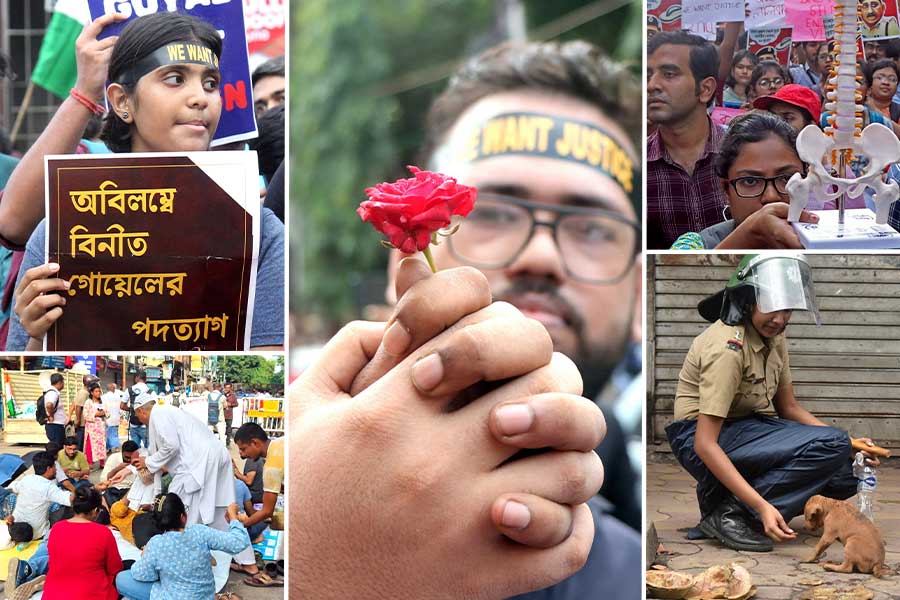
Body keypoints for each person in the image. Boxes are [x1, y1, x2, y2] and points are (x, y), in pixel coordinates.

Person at [293, 40, 641, 600]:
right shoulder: (300, 453)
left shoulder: (639, 574)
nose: (543, 257)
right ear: (403, 259)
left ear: (640, 296)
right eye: (495, 212)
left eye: (594, 228)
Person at [5, 12, 284, 351]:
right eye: (175, 79)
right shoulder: (58, 235)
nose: (200, 98)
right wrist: (38, 335)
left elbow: (270, 374)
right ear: (122, 101)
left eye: (211, 83)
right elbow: (27, 389)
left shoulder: (259, 231)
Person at [666, 254, 880, 552]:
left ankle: (723, 504)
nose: (779, 319)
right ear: (747, 300)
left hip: (744, 430)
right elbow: (705, 443)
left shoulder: (774, 337)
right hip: (698, 438)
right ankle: (733, 514)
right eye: (770, 306)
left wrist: (852, 444)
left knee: (849, 472)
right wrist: (760, 505)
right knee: (834, 445)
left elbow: (789, 408)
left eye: (787, 309)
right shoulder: (728, 349)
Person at [669, 112, 821, 249]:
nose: (771, 197)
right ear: (726, 190)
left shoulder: (828, 239)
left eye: (786, 178)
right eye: (750, 181)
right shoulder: (696, 246)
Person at [647, 31, 727, 249]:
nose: (652, 85)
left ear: (705, 89)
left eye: (669, 74)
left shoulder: (744, 153)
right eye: (647, 76)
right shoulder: (634, 165)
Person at [115, 494, 251, 599]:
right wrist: (233, 517)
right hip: (205, 597)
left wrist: (146, 557)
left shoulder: (156, 544)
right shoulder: (200, 531)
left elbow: (141, 574)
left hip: (174, 596)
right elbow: (238, 542)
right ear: (183, 516)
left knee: (121, 578)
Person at [131, 393, 235, 528]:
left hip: (200, 460)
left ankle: (187, 541)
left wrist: (148, 462)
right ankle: (221, 540)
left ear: (140, 410)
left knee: (180, 504)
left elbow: (171, 445)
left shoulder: (159, 414)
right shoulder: (168, 412)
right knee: (214, 503)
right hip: (213, 454)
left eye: (137, 415)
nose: (139, 419)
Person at [41, 487, 123, 599]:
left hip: (53, 594)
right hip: (92, 594)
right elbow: (115, 568)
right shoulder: (103, 532)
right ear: (95, 511)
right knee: (126, 569)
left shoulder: (56, 529)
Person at [231, 423, 282, 578]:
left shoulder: (272, 466)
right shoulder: (280, 444)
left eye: (243, 449)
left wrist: (240, 525)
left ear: (255, 443)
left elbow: (267, 511)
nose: (242, 455)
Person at [8, 451, 72, 541]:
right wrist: (92, 490)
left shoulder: (27, 479)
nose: (56, 470)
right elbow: (71, 500)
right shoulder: (48, 487)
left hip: (17, 529)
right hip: (36, 534)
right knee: (69, 510)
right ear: (48, 468)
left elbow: (13, 487)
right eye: (54, 466)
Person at [98, 440, 141, 507]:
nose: (129, 460)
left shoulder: (140, 460)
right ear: (122, 453)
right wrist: (117, 469)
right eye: (127, 457)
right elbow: (103, 480)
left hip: (129, 491)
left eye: (131, 458)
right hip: (113, 489)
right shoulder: (113, 458)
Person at [68, 374, 96, 452]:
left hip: (85, 424)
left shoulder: (86, 392)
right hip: (82, 425)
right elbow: (78, 407)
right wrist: (78, 420)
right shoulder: (83, 393)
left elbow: (74, 403)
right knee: (79, 444)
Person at [122, 370, 150, 448]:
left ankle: (135, 460)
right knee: (148, 449)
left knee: (134, 449)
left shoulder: (129, 390)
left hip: (133, 423)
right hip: (145, 425)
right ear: (145, 379)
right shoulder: (150, 391)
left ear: (136, 378)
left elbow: (122, 406)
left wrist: (132, 409)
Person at [83, 382, 107, 468]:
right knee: (90, 444)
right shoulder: (88, 402)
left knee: (101, 444)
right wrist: (96, 414)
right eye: (96, 391)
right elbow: (85, 415)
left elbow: (107, 412)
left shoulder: (103, 402)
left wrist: (104, 413)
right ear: (92, 392)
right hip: (91, 427)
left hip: (100, 426)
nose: (98, 393)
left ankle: (102, 462)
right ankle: (90, 462)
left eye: (99, 391)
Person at [43, 373, 67, 446]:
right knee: (56, 448)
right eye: (63, 382)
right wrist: (51, 415)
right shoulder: (53, 393)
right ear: (60, 382)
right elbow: (49, 405)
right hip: (55, 425)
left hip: (56, 425)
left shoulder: (52, 392)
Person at [101, 383, 122, 452]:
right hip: (116, 418)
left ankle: (112, 447)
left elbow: (102, 408)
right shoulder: (118, 397)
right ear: (113, 389)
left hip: (108, 418)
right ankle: (114, 447)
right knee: (114, 433)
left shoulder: (103, 397)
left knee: (108, 433)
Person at [222, 382, 238, 448]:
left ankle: (228, 443)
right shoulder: (221, 395)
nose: (227, 389)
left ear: (231, 388)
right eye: (226, 387)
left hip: (229, 415)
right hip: (222, 414)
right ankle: (222, 444)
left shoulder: (233, 395)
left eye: (228, 387)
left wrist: (230, 404)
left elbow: (236, 404)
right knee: (222, 430)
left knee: (228, 430)